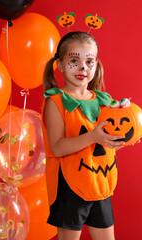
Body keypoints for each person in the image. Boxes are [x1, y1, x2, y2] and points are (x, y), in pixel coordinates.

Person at [42, 31, 129, 240]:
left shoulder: (104, 100)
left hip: (100, 182)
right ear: (61, 65)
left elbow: (116, 131)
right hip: (69, 186)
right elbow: (57, 147)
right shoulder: (56, 102)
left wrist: (130, 127)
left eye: (89, 62)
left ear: (96, 65)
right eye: (74, 60)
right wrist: (92, 137)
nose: (83, 68)